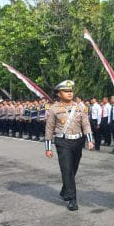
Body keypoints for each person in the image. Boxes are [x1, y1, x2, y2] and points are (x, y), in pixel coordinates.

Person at [45, 80, 94, 211]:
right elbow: (49, 129)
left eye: (71, 91)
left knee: (73, 168)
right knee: (66, 169)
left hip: (78, 141)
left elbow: (86, 124)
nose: (69, 93)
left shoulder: (80, 107)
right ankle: (72, 199)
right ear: (59, 93)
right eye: (66, 91)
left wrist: (90, 140)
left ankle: (65, 189)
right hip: (63, 142)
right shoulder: (54, 108)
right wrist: (48, 148)